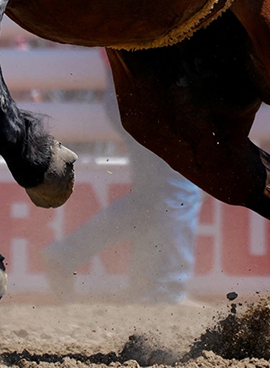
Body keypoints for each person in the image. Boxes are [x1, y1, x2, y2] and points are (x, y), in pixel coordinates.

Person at [43, 83, 203, 304]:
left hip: (132, 90)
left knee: (153, 196)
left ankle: (69, 256)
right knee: (179, 191)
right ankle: (165, 288)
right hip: (158, 90)